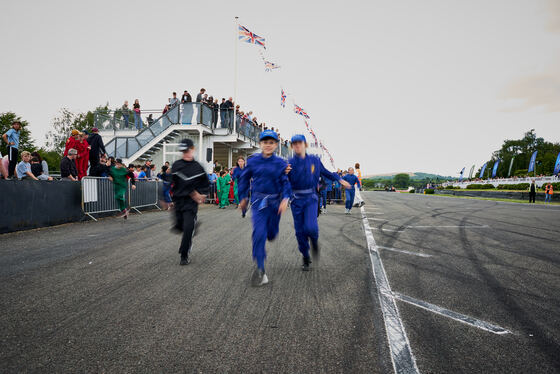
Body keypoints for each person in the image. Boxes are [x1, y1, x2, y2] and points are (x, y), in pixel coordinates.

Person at [286, 135, 350, 270]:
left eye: (300, 143)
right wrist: (283, 173)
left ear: (305, 145)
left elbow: (326, 172)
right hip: (296, 200)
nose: (297, 146)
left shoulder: (315, 160)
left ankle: (314, 241)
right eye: (294, 144)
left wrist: (339, 179)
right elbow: (283, 180)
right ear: (292, 146)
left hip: (311, 198)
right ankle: (305, 255)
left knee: (311, 227)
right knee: (299, 232)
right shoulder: (289, 163)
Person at [238, 130, 292, 286]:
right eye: (265, 142)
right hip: (258, 202)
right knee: (259, 233)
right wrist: (243, 197)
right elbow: (244, 179)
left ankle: (271, 232)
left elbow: (285, 182)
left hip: (275, 203)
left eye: (271, 143)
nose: (268, 145)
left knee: (271, 233)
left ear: (275, 145)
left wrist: (286, 199)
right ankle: (260, 269)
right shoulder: (253, 161)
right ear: (260, 144)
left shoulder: (281, 163)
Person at [171, 138, 209, 265]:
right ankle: (193, 227)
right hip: (178, 202)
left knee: (187, 228)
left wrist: (201, 195)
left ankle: (184, 254)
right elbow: (170, 182)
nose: (186, 153)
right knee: (179, 228)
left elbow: (206, 184)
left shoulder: (198, 168)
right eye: (183, 151)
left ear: (193, 150)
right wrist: (165, 198)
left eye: (188, 150)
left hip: (190, 204)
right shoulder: (176, 165)